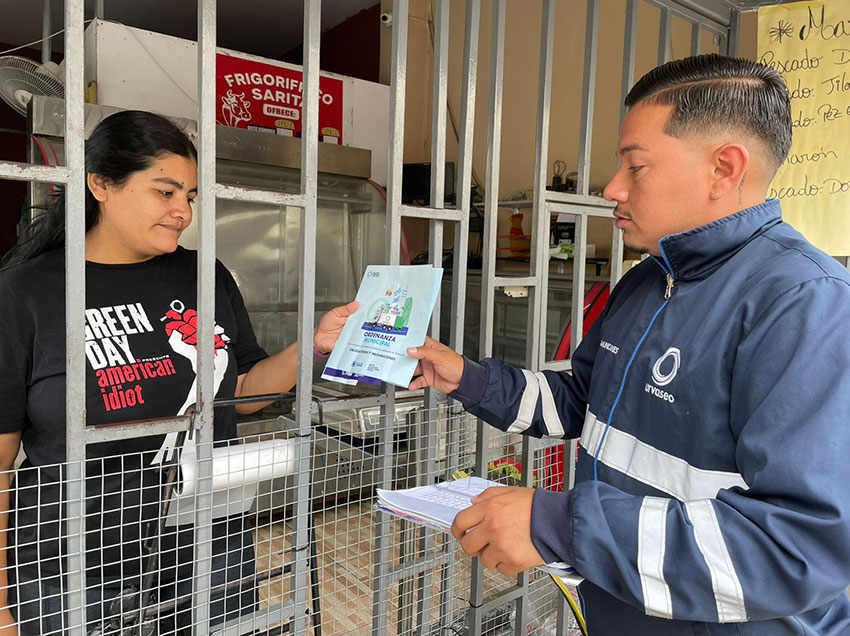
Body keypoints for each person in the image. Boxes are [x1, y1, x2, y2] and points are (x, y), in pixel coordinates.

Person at [406, 54, 850, 635]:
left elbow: (797, 548)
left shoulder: (805, 303)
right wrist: (467, 377)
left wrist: (560, 526)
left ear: (724, 169)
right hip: (623, 608)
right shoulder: (647, 279)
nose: (612, 188)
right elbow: (582, 400)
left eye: (634, 166)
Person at [0, 110, 357, 635]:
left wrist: (316, 347)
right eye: (164, 192)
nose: (182, 212)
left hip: (211, 545)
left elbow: (239, 393)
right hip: (79, 566)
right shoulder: (24, 293)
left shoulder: (204, 274)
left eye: (189, 196)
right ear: (100, 183)